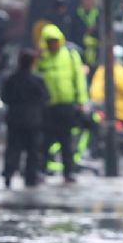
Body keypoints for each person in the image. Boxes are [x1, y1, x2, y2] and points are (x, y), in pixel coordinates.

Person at [35, 23, 88, 184]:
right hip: (48, 107)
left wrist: (81, 101)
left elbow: (79, 80)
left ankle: (68, 172)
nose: (53, 44)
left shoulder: (71, 56)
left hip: (66, 105)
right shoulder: (42, 59)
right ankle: (41, 170)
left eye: (55, 41)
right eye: (49, 41)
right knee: (45, 141)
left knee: (66, 142)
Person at [0, 49, 50, 188]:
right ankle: (30, 177)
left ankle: (9, 174)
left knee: (13, 149)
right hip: (34, 120)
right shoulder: (38, 80)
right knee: (33, 150)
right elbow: (46, 97)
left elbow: (4, 97)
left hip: (15, 119)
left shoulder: (11, 79)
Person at [69, 0, 101, 69]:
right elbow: (73, 31)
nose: (88, 3)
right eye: (86, 0)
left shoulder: (99, 13)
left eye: (89, 0)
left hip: (97, 51)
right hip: (80, 49)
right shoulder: (76, 14)